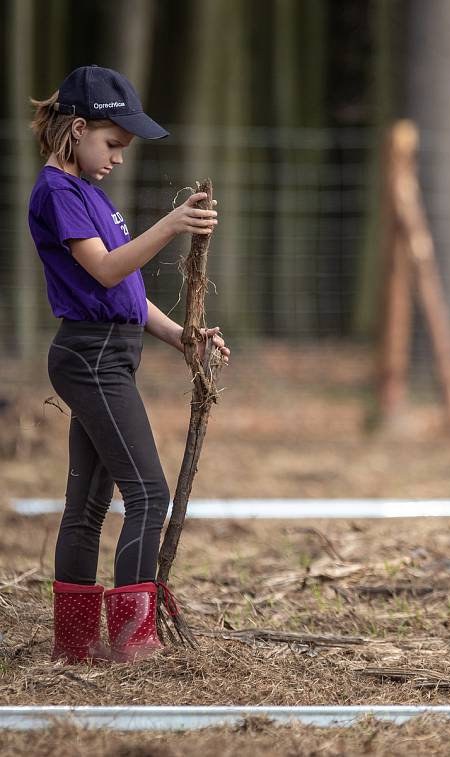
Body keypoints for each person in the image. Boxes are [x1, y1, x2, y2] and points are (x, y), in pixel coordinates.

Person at [28, 65, 231, 664]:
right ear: (78, 128)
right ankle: (132, 640)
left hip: (110, 353)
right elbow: (107, 270)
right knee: (148, 492)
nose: (117, 158)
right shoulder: (57, 192)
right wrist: (169, 224)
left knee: (89, 505)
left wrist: (180, 336)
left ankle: (75, 645)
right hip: (90, 357)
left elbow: (129, 293)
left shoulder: (89, 192)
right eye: (112, 144)